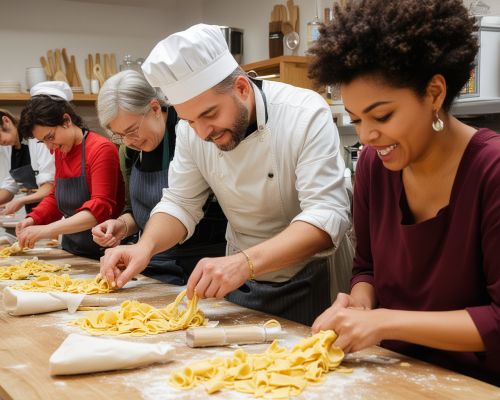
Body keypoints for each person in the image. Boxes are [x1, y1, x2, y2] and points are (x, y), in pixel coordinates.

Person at [99, 24, 352, 326]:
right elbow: (180, 203)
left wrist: (244, 263)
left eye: (210, 115)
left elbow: (326, 215)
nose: (203, 132)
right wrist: (144, 247)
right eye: (191, 120)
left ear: (242, 88)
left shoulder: (303, 113)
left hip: (311, 275)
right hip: (238, 279)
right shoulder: (191, 132)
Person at [308, 0, 499, 385]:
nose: (366, 136)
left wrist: (382, 323)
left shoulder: (491, 171)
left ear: (434, 93)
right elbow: (367, 268)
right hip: (392, 373)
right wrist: (361, 304)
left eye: (381, 117)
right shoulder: (374, 168)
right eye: (356, 120)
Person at [92, 70, 227, 285]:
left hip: (203, 267)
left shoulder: (193, 135)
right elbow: (136, 211)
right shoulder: (129, 153)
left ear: (155, 108)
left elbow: (186, 205)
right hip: (151, 263)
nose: (128, 141)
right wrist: (122, 225)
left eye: (132, 130)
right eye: (119, 135)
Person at [16, 81, 124, 259]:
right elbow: (55, 197)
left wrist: (45, 230)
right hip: (73, 251)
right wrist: (33, 219)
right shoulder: (61, 150)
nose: (50, 148)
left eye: (50, 137)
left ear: (66, 121)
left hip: (105, 253)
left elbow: (100, 208)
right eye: (44, 142)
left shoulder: (100, 149)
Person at [0, 108, 54, 214]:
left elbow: (50, 186)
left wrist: (20, 201)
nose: (0, 142)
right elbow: (10, 185)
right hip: (33, 209)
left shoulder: (36, 139)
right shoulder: (10, 147)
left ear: (6, 121)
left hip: (52, 207)